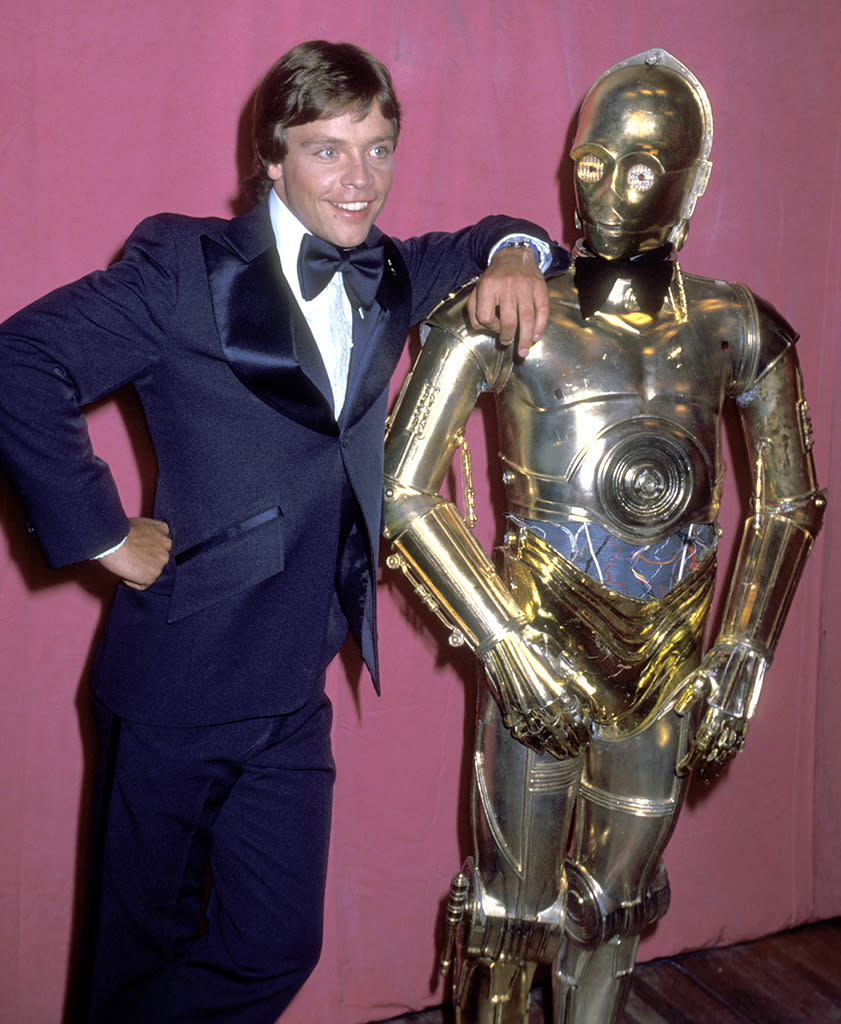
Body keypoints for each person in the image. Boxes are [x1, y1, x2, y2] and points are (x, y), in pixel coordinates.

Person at [0, 40, 568, 1023]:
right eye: (327, 150)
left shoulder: (388, 273)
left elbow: (490, 235)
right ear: (270, 157)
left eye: (378, 149)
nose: (360, 180)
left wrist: (520, 252)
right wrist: (101, 534)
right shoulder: (181, 265)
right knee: (141, 955)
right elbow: (20, 361)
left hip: (291, 683)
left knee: (277, 942)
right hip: (180, 679)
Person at [382, 49, 825, 1024]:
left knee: (615, 906)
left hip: (669, 659)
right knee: (510, 918)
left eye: (638, 167)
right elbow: (400, 488)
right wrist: (502, 639)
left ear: (691, 180)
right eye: (590, 163)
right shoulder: (502, 316)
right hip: (536, 644)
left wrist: (742, 645)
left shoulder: (737, 328)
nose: (608, 191)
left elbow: (790, 502)